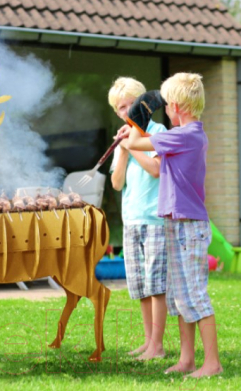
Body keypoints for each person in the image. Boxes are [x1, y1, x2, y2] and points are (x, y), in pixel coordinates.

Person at [125, 72, 223, 377]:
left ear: (176, 106)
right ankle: (187, 359)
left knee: (194, 295)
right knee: (180, 297)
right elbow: (147, 150)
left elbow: (137, 141)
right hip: (178, 224)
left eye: (166, 104)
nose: (164, 108)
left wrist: (136, 117)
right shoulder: (187, 136)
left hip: (188, 227)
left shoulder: (184, 136)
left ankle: (212, 363)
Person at [108, 77, 168, 360]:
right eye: (121, 107)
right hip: (131, 219)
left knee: (156, 286)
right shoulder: (124, 139)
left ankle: (157, 346)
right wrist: (121, 149)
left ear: (143, 104)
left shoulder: (157, 130)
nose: (127, 111)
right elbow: (117, 184)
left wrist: (131, 145)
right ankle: (148, 342)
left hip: (155, 219)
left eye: (132, 104)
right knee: (141, 287)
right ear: (117, 112)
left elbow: (156, 170)